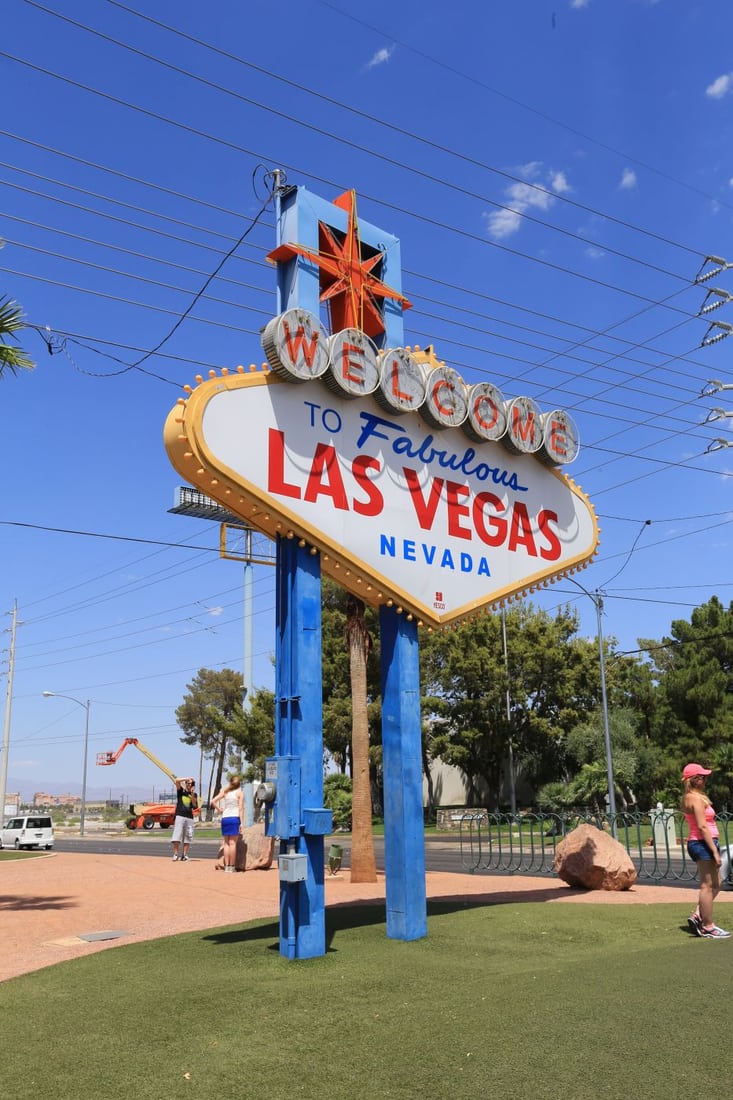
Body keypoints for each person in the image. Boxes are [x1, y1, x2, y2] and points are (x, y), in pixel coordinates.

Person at [681, 762, 730, 939]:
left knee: (717, 882)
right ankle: (708, 926)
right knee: (707, 886)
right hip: (702, 843)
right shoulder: (693, 798)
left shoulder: (695, 796)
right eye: (702, 776)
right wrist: (715, 852)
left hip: (704, 843)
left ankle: (698, 915)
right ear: (694, 779)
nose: (705, 779)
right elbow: (702, 826)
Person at [211, 775, 244, 873]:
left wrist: (220, 810)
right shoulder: (239, 793)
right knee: (233, 843)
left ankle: (226, 867)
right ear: (239, 784)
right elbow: (241, 809)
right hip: (234, 818)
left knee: (226, 843)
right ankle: (232, 866)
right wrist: (242, 823)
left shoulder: (225, 792)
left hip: (225, 818)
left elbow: (212, 801)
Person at [171, 777, 198, 862]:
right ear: (185, 783)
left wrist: (192, 793)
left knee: (188, 837)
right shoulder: (181, 791)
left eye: (192, 784)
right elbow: (176, 780)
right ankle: (175, 854)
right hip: (180, 816)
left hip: (189, 817)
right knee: (177, 835)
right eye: (188, 783)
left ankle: (184, 855)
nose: (190, 785)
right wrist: (187, 778)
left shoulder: (194, 794)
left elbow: (194, 806)